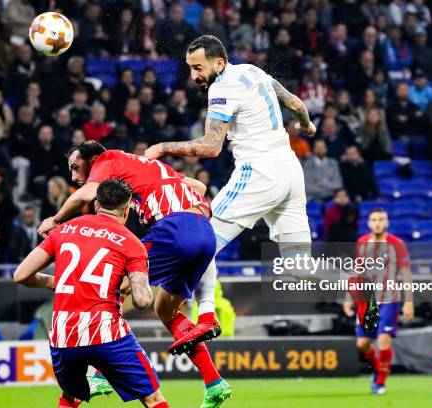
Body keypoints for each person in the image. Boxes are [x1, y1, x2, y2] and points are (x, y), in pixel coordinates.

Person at [144, 35, 377, 348]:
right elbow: (296, 103)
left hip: (259, 173)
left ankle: (207, 316)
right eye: (190, 68)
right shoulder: (254, 72)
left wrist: (162, 147)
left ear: (219, 63)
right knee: (297, 265)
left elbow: (211, 148)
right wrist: (307, 126)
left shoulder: (222, 87)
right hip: (291, 173)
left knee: (201, 240)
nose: (194, 76)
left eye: (198, 68)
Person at [37, 142, 231, 407]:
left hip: (173, 230)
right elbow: (199, 187)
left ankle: (101, 373)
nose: (74, 176)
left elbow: (84, 195)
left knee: (113, 283)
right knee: (166, 310)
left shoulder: (108, 159)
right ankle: (214, 383)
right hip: (204, 232)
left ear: (94, 159)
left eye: (75, 167)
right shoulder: (152, 168)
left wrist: (56, 220)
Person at [15, 179, 168, 408]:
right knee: (153, 399)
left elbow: (20, 275)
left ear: (97, 205)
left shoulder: (64, 229)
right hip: (105, 333)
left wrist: (50, 282)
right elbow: (142, 300)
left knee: (69, 397)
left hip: (63, 334)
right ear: (127, 210)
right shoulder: (131, 243)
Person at [344, 208, 414, 395]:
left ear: (387, 222)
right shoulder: (362, 243)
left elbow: (406, 274)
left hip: (390, 299)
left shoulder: (397, 244)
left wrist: (409, 302)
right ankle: (378, 369)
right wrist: (348, 298)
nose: (377, 223)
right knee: (363, 345)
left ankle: (380, 382)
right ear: (368, 223)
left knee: (384, 340)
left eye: (381, 219)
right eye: (374, 219)